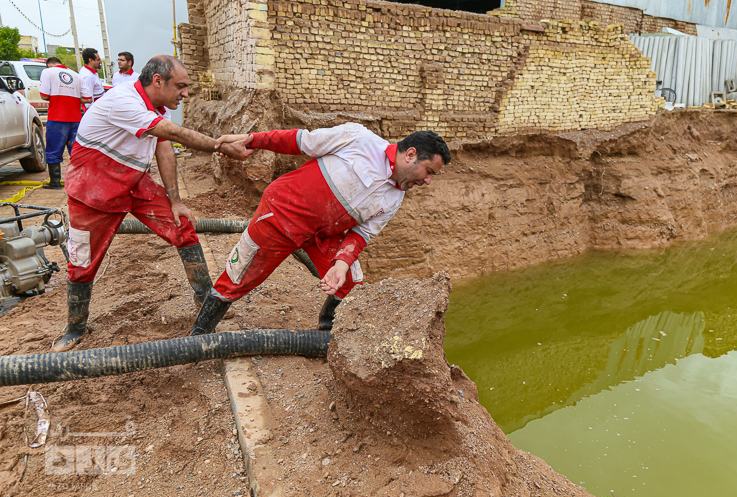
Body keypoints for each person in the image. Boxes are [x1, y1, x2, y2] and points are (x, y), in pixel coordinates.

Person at [55, 55, 253, 352]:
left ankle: (205, 301)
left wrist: (176, 201)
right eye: (181, 86)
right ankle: (75, 328)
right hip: (92, 188)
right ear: (158, 81)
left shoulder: (160, 107)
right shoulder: (123, 101)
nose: (185, 94)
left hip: (133, 181)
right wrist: (218, 144)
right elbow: (171, 134)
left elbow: (165, 150)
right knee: (82, 262)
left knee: (182, 225)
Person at [190, 123, 450, 335]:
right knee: (238, 277)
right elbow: (299, 141)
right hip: (281, 216)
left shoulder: (396, 197)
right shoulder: (358, 138)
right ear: (411, 154)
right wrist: (250, 140)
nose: (427, 181)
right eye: (429, 172)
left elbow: (362, 234)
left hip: (324, 236)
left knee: (350, 283)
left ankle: (326, 337)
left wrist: (342, 263)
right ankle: (198, 338)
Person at [39, 57, 92, 189]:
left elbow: (44, 95)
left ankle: (55, 182)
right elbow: (88, 98)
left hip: (57, 118)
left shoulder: (47, 72)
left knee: (53, 150)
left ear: (49, 65)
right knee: (77, 151)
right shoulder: (76, 75)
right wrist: (72, 97)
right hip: (76, 119)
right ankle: (81, 183)